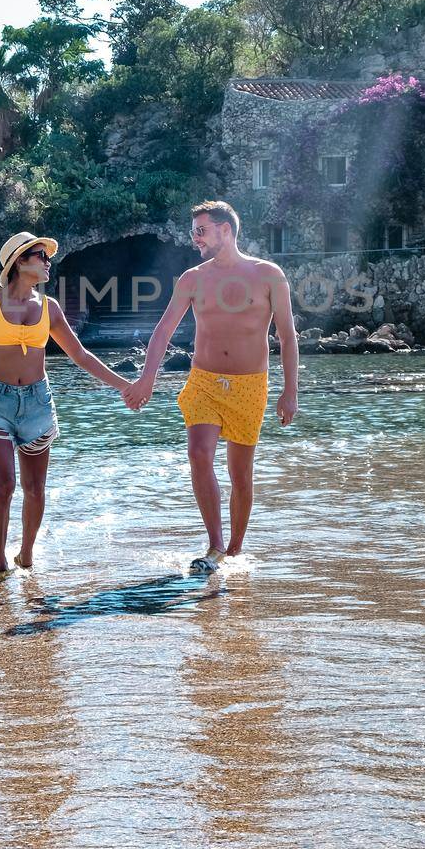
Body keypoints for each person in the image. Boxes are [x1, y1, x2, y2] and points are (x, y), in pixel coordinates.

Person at [124, 201, 298, 572]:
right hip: (203, 381)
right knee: (199, 453)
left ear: (225, 230)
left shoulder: (269, 275)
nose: (195, 239)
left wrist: (290, 391)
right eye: (194, 232)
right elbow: (164, 330)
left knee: (241, 475)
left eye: (201, 230)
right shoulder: (193, 278)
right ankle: (215, 545)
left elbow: (287, 335)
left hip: (251, 386)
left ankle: (234, 548)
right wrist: (147, 378)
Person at [0, 231, 130, 573]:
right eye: (40, 256)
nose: (48, 262)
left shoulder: (49, 308)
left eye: (47, 257)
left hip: (37, 402)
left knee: (34, 489)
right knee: (4, 484)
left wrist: (124, 385)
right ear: (20, 261)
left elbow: (79, 355)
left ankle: (27, 557)